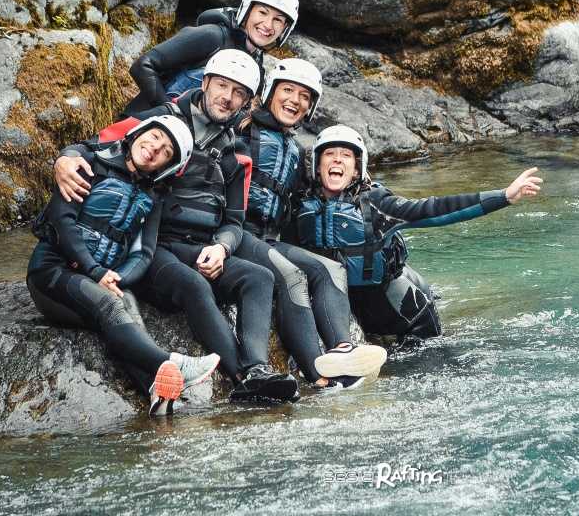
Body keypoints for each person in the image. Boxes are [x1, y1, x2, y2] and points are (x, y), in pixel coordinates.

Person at [53, 49, 299, 403]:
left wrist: (222, 247)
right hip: (151, 246)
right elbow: (97, 146)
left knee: (259, 277)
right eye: (222, 86)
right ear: (206, 83)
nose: (227, 98)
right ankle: (242, 378)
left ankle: (258, 368)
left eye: (238, 93)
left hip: (198, 246)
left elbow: (233, 220)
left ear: (246, 103)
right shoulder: (158, 121)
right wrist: (65, 158)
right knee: (193, 284)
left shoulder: (236, 154)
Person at [26, 115, 221, 416]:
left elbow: (143, 254)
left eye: (167, 151)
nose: (156, 148)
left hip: (100, 278)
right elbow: (62, 223)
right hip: (52, 274)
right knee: (110, 306)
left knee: (126, 306)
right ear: (139, 133)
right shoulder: (89, 164)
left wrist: (118, 278)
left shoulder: (153, 198)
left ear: (166, 167)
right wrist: (95, 271)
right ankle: (172, 363)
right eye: (155, 137)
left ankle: (156, 393)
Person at [287, 125, 542, 340]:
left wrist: (504, 196)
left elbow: (434, 209)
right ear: (317, 167)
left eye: (346, 155)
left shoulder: (376, 204)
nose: (337, 160)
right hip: (346, 310)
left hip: (409, 320)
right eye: (330, 154)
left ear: (356, 169)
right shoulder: (300, 206)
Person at [232, 58, 387, 391]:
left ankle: (343, 349)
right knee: (292, 276)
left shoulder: (295, 150)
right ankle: (319, 376)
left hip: (268, 239)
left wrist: (361, 188)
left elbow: (314, 193)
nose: (295, 100)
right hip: (234, 233)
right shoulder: (241, 129)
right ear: (269, 93)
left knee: (329, 269)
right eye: (287, 90)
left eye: (304, 96)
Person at [124, 0, 299, 115]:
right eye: (262, 12)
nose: (268, 25)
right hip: (137, 131)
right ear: (247, 10)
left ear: (285, 29)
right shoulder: (212, 36)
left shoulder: (257, 70)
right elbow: (143, 66)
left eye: (278, 20)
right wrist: (170, 113)